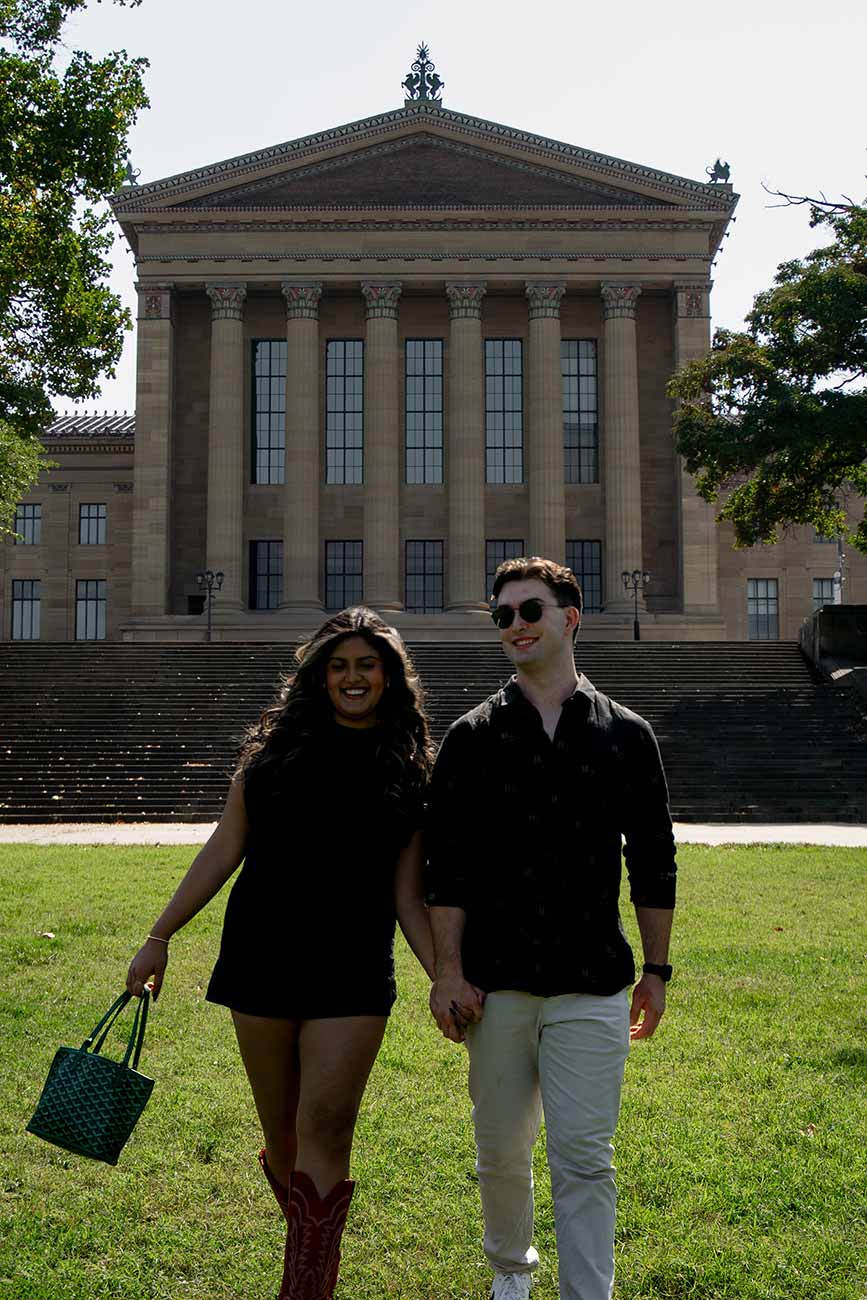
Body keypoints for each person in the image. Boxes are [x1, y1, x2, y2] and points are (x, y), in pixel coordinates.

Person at [126, 607, 435, 1300]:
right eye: (339, 665)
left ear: (388, 676)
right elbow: (223, 847)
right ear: (319, 676)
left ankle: (303, 1291)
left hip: (352, 969)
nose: (352, 677)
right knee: (286, 1139)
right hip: (260, 958)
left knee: (325, 1126)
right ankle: (307, 1252)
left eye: (366, 664)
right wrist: (160, 935)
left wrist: (444, 977)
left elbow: (408, 896)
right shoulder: (270, 752)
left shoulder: (409, 768)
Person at [426, 557, 677, 1300]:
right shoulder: (471, 736)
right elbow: (446, 865)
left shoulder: (627, 735)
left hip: (591, 977)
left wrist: (656, 972)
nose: (514, 627)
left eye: (528, 611)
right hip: (495, 981)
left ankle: (586, 1294)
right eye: (501, 616)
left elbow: (654, 860)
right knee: (500, 1154)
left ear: (569, 618)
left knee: (584, 1157)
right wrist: (446, 970)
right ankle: (511, 1273)